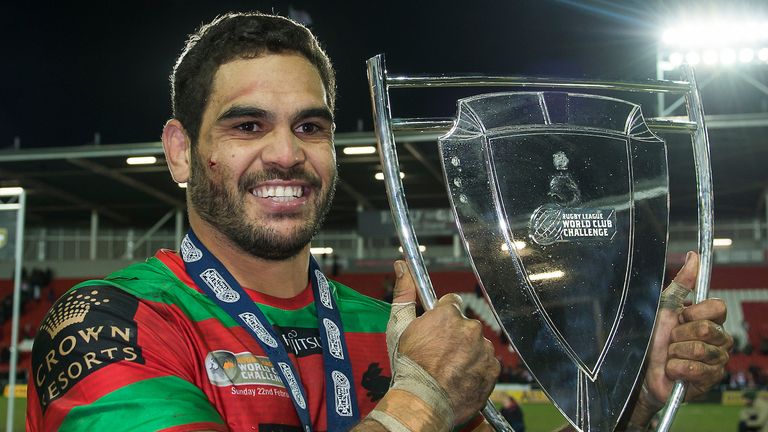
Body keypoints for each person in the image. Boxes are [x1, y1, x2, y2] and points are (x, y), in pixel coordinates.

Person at [27, 12, 732, 432]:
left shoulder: (393, 328)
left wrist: (633, 398)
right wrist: (419, 404)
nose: (285, 154)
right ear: (181, 151)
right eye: (247, 125)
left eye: (310, 126)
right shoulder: (106, 322)